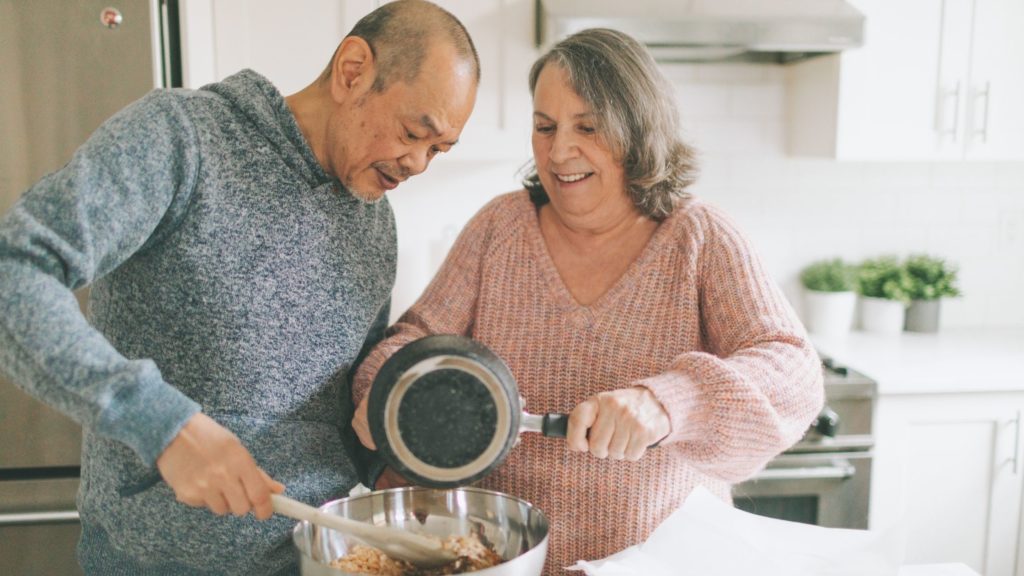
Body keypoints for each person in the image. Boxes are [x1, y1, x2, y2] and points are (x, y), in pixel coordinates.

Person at [0, 1, 478, 574]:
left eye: (438, 150)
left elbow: (334, 408)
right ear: (353, 70)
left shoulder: (374, 222)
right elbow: (15, 273)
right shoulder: (183, 139)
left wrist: (389, 466)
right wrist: (162, 423)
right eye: (413, 133)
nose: (419, 164)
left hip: (317, 561)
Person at [351, 28, 823, 574]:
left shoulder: (700, 237)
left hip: (662, 562)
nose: (558, 151)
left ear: (638, 131)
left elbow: (792, 370)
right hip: (504, 560)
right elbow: (414, 340)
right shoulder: (500, 228)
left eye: (588, 128)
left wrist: (668, 402)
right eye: (544, 127)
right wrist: (384, 393)